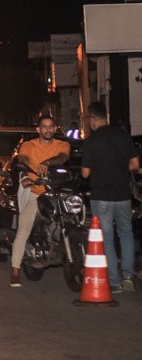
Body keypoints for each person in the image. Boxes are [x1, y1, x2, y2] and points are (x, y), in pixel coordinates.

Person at [80, 101, 140, 293]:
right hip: (122, 195)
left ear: (92, 119)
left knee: (106, 238)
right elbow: (135, 164)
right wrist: (119, 169)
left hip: (101, 196)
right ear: (105, 116)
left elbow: (85, 174)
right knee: (126, 234)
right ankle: (129, 276)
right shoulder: (123, 136)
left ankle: (115, 282)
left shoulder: (91, 141)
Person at [9, 114, 70, 288]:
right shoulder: (29, 146)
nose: (48, 129)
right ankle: (15, 270)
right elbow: (24, 159)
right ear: (38, 129)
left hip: (57, 193)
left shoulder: (62, 144)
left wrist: (48, 162)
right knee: (24, 228)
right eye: (44, 126)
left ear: (55, 128)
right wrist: (25, 175)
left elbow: (63, 157)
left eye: (51, 126)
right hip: (36, 192)